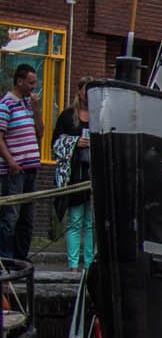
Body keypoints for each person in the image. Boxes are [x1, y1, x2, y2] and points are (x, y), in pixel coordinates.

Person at [0, 63, 42, 263]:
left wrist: (36, 110)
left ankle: (21, 260)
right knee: (11, 217)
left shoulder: (28, 104)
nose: (34, 87)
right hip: (16, 171)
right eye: (31, 82)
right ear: (20, 81)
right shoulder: (6, 104)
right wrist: (11, 162)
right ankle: (6, 260)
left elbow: (40, 133)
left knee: (27, 219)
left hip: (32, 168)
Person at [50, 80, 94, 270]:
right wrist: (75, 142)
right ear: (79, 91)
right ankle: (73, 264)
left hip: (94, 175)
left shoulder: (100, 116)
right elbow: (55, 144)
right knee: (75, 220)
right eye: (86, 90)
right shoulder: (67, 116)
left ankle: (91, 263)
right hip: (75, 175)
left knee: (91, 223)